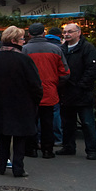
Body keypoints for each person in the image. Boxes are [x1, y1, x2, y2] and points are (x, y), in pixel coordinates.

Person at [0, 26, 42, 177]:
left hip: (1, 103)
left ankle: (0, 166)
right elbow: (35, 84)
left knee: (3, 136)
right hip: (22, 104)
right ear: (14, 41)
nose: (24, 41)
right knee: (19, 138)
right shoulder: (24, 59)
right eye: (22, 39)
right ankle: (18, 168)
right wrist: (35, 101)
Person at [22, 23, 70, 159]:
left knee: (31, 121)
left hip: (30, 93)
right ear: (44, 33)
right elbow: (65, 72)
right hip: (49, 91)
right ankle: (47, 150)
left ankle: (31, 149)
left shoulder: (24, 50)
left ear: (29, 34)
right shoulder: (55, 49)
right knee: (47, 122)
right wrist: (55, 84)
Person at [57, 23, 96, 160]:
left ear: (78, 33)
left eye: (70, 31)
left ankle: (92, 150)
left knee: (87, 123)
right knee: (67, 123)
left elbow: (92, 70)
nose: (66, 34)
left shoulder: (88, 48)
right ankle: (68, 146)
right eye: (64, 32)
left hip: (83, 92)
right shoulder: (62, 49)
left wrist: (81, 86)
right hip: (66, 92)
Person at [46, 26, 64, 146]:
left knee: (39, 114)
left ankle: (40, 138)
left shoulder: (29, 48)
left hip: (39, 85)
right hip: (54, 85)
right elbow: (64, 70)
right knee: (55, 111)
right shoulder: (59, 49)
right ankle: (57, 137)